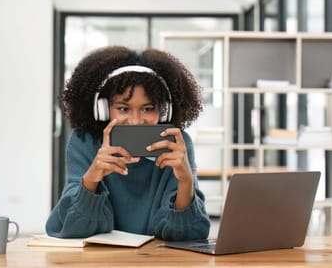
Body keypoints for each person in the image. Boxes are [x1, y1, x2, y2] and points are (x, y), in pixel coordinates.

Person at [46, 45, 210, 241]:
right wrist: (92, 179)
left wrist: (186, 181)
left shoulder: (176, 144)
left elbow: (188, 234)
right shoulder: (85, 142)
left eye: (148, 109)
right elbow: (71, 228)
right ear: (103, 110)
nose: (136, 121)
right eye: (124, 109)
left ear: (164, 110)